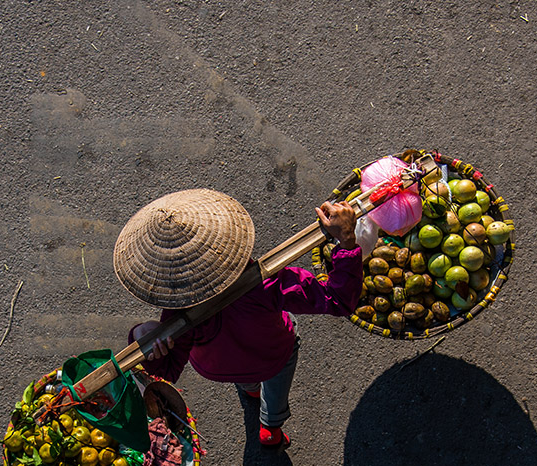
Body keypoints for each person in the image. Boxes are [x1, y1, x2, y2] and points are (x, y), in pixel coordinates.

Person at [116, 190, 362, 450]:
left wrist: (143, 335)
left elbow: (166, 372)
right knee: (280, 369)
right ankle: (270, 427)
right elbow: (339, 301)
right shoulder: (268, 282)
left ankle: (251, 389)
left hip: (219, 368)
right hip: (273, 357)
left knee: (245, 374)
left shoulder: (178, 313)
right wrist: (346, 241)